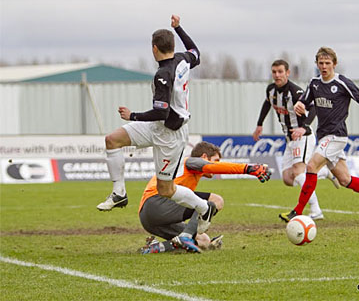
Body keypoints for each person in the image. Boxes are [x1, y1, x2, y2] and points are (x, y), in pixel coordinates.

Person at [96, 15, 215, 233]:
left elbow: (161, 111)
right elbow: (195, 52)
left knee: (166, 190)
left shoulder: (163, 74)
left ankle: (204, 208)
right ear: (172, 45)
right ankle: (119, 193)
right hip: (157, 126)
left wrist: (132, 116)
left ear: (154, 48)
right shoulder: (182, 59)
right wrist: (179, 28)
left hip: (170, 134)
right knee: (112, 140)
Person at [284, 46, 359, 221]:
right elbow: (304, 104)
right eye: (321, 63)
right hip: (324, 137)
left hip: (337, 136)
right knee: (345, 180)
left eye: (327, 63)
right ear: (317, 64)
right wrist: (300, 106)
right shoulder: (314, 83)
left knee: (311, 166)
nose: (324, 66)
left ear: (334, 64)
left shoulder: (342, 82)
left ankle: (297, 211)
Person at [137, 141, 271, 254]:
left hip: (148, 218)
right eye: (216, 161)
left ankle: (156, 248)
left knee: (204, 241)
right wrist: (247, 168)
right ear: (204, 157)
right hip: (157, 204)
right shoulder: (190, 162)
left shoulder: (186, 174)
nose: (217, 164)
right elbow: (214, 167)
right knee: (216, 201)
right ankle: (186, 237)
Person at [252, 59, 340, 221]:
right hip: (289, 139)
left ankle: (316, 210)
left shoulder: (295, 92)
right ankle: (325, 172)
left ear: (287, 73)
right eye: (274, 72)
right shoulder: (271, 90)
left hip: (303, 136)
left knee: (299, 171)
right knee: (287, 178)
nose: (277, 75)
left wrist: (303, 127)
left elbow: (313, 108)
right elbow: (267, 104)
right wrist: (259, 125)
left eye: (280, 72)